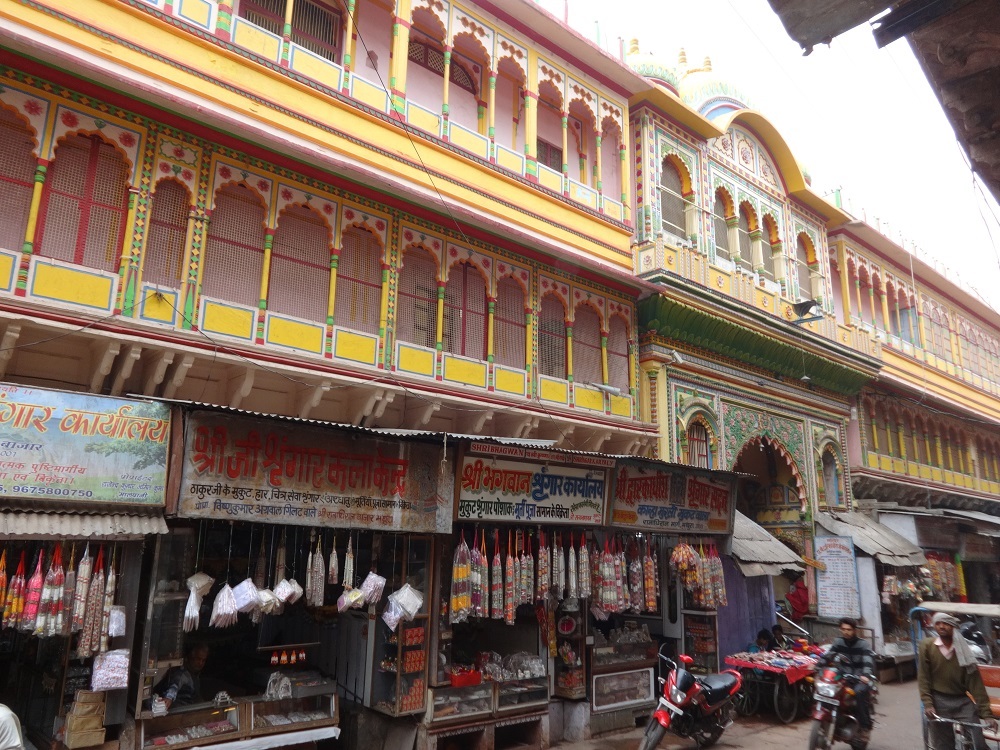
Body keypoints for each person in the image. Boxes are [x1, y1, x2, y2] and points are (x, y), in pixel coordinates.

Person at [919, 612, 997, 750]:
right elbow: (923, 677)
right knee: (943, 745)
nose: (942, 626)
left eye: (946, 623)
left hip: (962, 700)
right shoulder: (927, 646)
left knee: (977, 742)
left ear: (953, 626)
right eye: (938, 623)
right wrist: (928, 703)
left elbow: (975, 684)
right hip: (939, 700)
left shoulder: (964, 650)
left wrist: (986, 714)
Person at [823, 617, 876, 743]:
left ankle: (864, 728)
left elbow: (868, 662)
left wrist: (866, 675)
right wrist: (817, 665)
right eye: (843, 629)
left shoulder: (863, 644)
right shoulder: (838, 642)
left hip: (860, 679)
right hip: (844, 677)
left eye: (849, 630)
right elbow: (828, 656)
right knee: (828, 689)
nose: (846, 632)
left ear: (854, 630)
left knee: (859, 693)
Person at [154, 643, 209, 709]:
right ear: (189, 657)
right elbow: (175, 685)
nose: (200, 663)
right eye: (198, 659)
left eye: (203, 660)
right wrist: (169, 697)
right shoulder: (182, 674)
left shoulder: (195, 676)